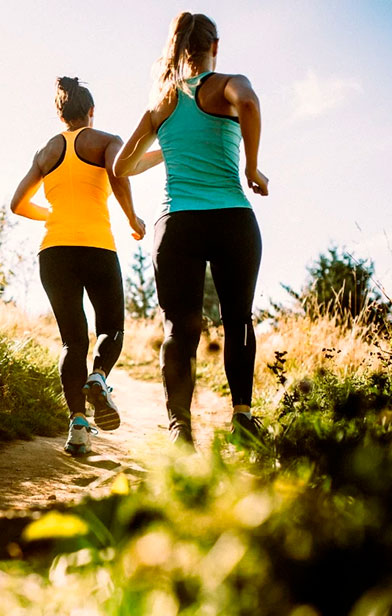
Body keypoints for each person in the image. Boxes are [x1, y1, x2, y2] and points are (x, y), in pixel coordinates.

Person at [114, 12, 269, 446]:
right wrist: (252, 168)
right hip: (231, 218)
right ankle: (242, 418)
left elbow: (121, 165)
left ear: (179, 50)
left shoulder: (161, 103)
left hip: (177, 222)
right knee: (237, 319)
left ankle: (180, 428)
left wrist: (167, 149)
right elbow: (250, 106)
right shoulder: (227, 84)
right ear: (213, 46)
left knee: (178, 328)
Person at [10, 77, 147, 455]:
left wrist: (51, 213)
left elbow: (17, 204)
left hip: (53, 251)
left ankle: (78, 427)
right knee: (111, 328)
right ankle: (99, 378)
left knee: (73, 340)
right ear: (90, 111)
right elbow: (118, 176)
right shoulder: (105, 140)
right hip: (97, 247)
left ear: (60, 115)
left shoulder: (46, 151)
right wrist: (133, 220)